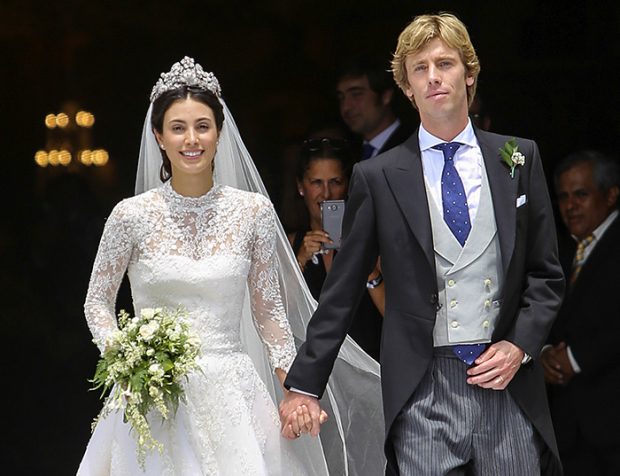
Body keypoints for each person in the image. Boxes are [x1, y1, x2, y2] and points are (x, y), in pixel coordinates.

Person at [281, 13, 565, 476]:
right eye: (419, 68)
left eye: (445, 63)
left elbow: (546, 276)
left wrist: (520, 346)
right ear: (407, 88)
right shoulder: (378, 176)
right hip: (423, 388)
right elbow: (343, 290)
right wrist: (305, 385)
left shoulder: (518, 157)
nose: (433, 77)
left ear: (469, 74)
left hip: (508, 383)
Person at [77, 57, 385, 475]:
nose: (192, 139)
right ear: (158, 135)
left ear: (219, 133)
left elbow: (270, 316)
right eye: (178, 127)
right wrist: (128, 361)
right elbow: (97, 303)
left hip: (233, 395)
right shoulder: (129, 217)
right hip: (153, 395)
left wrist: (295, 391)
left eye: (203, 126)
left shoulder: (251, 212)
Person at [542, 151, 620, 475]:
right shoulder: (561, 251)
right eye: (563, 196)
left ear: (611, 194)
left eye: (581, 194)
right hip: (569, 431)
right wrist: (544, 353)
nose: (570, 205)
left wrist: (575, 359)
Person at [290, 137, 384, 359]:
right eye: (316, 183)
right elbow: (280, 314)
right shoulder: (290, 244)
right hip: (313, 369)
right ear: (301, 187)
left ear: (347, 185)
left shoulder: (372, 239)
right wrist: (301, 260)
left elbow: (395, 315)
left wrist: (368, 267)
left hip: (371, 366)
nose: (326, 193)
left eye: (335, 182)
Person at [336, 56, 413, 161]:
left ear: (385, 96)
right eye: (341, 97)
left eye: (356, 94)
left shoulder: (413, 147)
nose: (346, 107)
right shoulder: (347, 154)